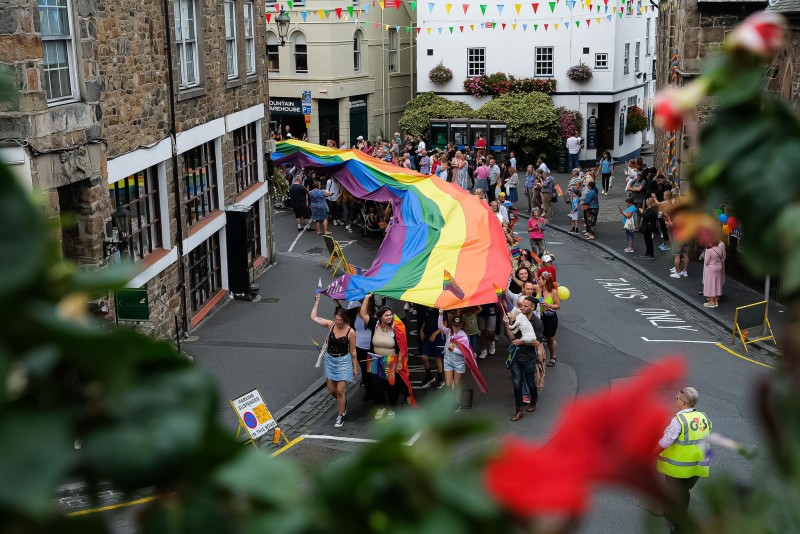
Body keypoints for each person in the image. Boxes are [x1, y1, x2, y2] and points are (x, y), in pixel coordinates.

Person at [657, 387, 712, 533]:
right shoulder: (703, 417)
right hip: (698, 465)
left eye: (677, 398)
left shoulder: (678, 420)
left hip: (679, 467)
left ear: (683, 402)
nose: (676, 399)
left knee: (676, 491)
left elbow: (665, 442)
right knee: (683, 491)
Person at [358, 295, 411, 419]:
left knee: (392, 386)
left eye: (390, 315)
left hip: (391, 360)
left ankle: (391, 408)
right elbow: (363, 313)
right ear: (380, 317)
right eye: (386, 315)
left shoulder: (396, 328)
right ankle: (380, 407)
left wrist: (399, 362)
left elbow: (400, 347)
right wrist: (367, 298)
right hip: (375, 359)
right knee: (376, 386)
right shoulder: (373, 324)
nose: (390, 317)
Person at [311, 296, 357, 428]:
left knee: (341, 390)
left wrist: (355, 367)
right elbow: (314, 317)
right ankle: (343, 402)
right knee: (332, 389)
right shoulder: (330, 325)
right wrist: (317, 301)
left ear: (345, 320)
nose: (337, 322)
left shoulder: (350, 331)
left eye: (340, 321)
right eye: (336, 320)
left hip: (343, 361)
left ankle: (340, 415)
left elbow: (353, 352)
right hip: (330, 361)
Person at [503, 296, 545, 422]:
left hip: (529, 358)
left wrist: (520, 342)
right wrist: (506, 325)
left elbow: (537, 342)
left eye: (525, 306)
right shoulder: (518, 317)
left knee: (531, 383)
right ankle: (519, 410)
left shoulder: (537, 323)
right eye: (521, 305)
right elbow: (511, 338)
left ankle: (533, 402)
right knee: (516, 384)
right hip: (516, 357)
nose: (522, 308)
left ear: (532, 307)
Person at [438, 312, 469, 412]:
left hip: (458, 363)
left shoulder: (463, 336)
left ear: (461, 326)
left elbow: (466, 353)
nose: (456, 328)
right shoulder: (448, 332)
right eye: (454, 326)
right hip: (448, 361)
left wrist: (453, 350)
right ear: (452, 325)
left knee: (457, 384)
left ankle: (457, 402)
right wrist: (440, 315)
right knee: (448, 384)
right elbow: (440, 326)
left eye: (458, 326)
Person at [536, 272, 561, 367]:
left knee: (549, 339)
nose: (538, 281)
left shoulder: (553, 292)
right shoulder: (538, 288)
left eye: (540, 279)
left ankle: (552, 356)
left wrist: (549, 305)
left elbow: (558, 306)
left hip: (550, 318)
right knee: (537, 338)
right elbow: (525, 285)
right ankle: (539, 357)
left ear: (545, 281)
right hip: (539, 316)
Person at [419, 306, 445, 388]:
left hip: (438, 337)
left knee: (438, 358)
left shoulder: (439, 309)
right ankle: (429, 376)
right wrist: (421, 330)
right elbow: (425, 320)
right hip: (427, 336)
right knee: (424, 357)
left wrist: (435, 334)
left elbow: (445, 324)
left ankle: (440, 378)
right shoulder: (426, 309)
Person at [702, 240, 726, 308]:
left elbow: (706, 262)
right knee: (716, 283)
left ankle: (711, 302)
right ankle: (715, 301)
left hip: (711, 268)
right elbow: (722, 259)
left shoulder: (709, 250)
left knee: (710, 284)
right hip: (718, 268)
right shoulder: (720, 249)